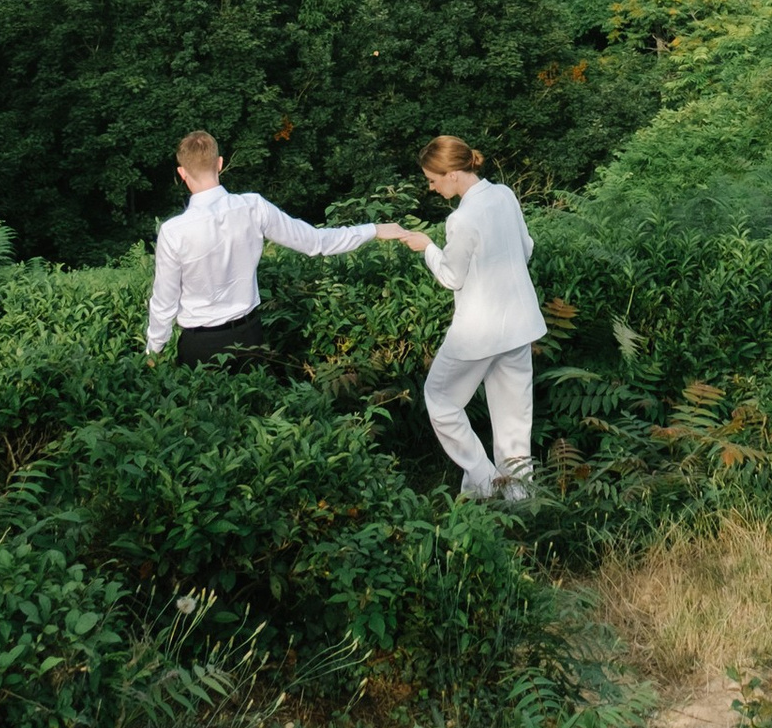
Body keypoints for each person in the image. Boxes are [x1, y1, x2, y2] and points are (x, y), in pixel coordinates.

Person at [385, 134, 545, 503]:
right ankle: (520, 501)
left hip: (478, 331)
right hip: (519, 324)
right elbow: (527, 248)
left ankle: (486, 480)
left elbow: (451, 277)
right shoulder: (504, 195)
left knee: (439, 398)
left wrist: (427, 247)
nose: (431, 186)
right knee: (514, 421)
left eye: (433, 179)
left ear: (453, 174)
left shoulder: (462, 218)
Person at [145, 129, 394, 364]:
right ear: (219, 163)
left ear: (182, 173)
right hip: (249, 336)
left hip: (199, 345)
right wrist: (375, 229)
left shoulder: (173, 231)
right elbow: (316, 242)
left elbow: (164, 302)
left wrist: (152, 352)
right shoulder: (253, 207)